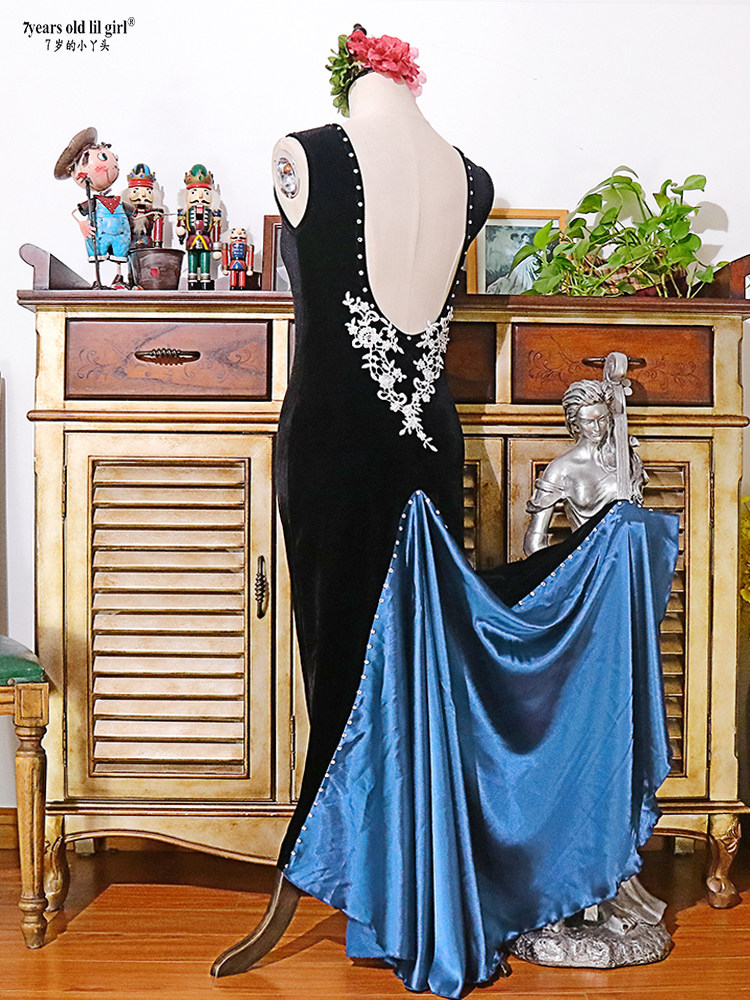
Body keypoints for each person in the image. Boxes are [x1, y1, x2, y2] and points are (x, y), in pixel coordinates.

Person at [214, 29, 678, 999]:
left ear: (349, 78)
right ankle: (402, 884)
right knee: (406, 667)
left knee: (351, 668)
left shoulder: (305, 153)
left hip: (335, 446)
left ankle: (381, 889)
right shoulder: (468, 177)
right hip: (427, 440)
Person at [524, 378, 647, 554]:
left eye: (602, 419)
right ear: (575, 424)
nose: (597, 428)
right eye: (589, 421)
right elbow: (534, 542)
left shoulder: (624, 461)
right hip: (584, 562)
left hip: (624, 561)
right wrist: (569, 570)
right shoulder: (560, 469)